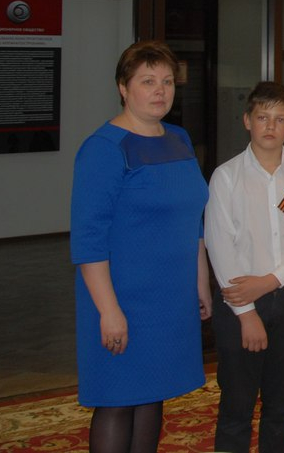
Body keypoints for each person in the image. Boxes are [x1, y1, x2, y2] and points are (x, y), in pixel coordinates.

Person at [71, 40, 211, 453]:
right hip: (121, 297)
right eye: (147, 81)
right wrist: (109, 311)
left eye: (167, 81)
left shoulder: (179, 138)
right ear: (123, 87)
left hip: (170, 298)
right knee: (117, 399)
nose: (160, 90)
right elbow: (88, 240)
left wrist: (201, 283)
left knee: (153, 393)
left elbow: (193, 221)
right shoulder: (103, 148)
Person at [205, 81, 284, 453]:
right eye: (262, 117)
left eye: (280, 119)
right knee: (236, 406)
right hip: (238, 301)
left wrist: (271, 281)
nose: (271, 126)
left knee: (282, 405)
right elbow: (220, 246)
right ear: (247, 120)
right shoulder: (226, 177)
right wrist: (246, 314)